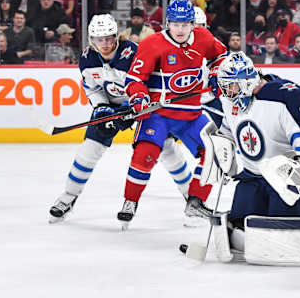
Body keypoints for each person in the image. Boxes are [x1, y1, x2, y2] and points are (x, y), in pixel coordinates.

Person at [48, 14, 194, 224]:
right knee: (88, 150)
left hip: (143, 104)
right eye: (100, 39)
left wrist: (135, 105)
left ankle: (193, 198)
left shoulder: (134, 53)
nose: (105, 43)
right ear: (91, 40)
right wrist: (100, 107)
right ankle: (69, 196)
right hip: (113, 107)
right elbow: (91, 87)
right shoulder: (87, 58)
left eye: (109, 38)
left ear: (116, 36)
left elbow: (150, 80)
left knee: (167, 149)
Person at [197, 52, 300, 263]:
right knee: (240, 225)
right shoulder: (230, 100)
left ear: (246, 82)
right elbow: (228, 130)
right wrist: (221, 150)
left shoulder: (287, 96)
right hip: (254, 177)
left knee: (282, 229)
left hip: (292, 180)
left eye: (230, 86)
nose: (226, 93)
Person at [118, 0, 228, 229]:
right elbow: (135, 79)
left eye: (185, 24)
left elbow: (221, 56)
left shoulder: (203, 38)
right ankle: (130, 201)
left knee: (216, 152)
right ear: (168, 23)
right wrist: (138, 97)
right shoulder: (152, 44)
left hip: (191, 114)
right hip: (158, 114)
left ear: (192, 24)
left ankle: (196, 202)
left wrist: (217, 73)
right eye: (175, 24)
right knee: (145, 155)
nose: (180, 29)